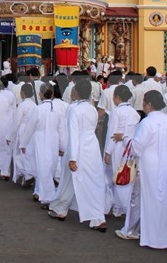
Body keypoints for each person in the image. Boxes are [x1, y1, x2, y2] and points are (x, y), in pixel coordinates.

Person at [117, 90, 167, 248]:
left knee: (141, 198)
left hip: (148, 164)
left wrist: (124, 138)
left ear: (149, 104)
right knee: (166, 197)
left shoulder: (146, 123)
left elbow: (137, 147)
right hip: (165, 162)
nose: (143, 104)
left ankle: (132, 230)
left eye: (144, 101)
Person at [48, 80, 107, 232]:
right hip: (91, 147)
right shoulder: (92, 109)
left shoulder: (75, 110)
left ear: (77, 93)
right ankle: (66, 209)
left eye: (73, 91)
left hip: (78, 147)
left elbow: (73, 134)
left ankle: (94, 216)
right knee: (88, 181)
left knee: (74, 180)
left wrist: (73, 157)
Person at [19, 83, 65, 207]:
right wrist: (62, 147)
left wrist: (23, 143)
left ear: (40, 94)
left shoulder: (38, 109)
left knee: (43, 167)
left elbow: (30, 128)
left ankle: (48, 197)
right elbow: (61, 131)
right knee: (49, 167)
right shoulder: (57, 110)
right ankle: (39, 191)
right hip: (53, 140)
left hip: (40, 140)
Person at [104, 85, 140, 217]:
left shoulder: (117, 112)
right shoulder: (134, 112)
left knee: (117, 175)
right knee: (127, 175)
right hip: (130, 146)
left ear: (117, 97)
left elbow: (112, 133)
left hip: (118, 147)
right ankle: (120, 206)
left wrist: (108, 151)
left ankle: (121, 206)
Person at [8, 83, 37, 187]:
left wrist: (10, 136)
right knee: (30, 155)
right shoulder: (35, 105)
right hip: (32, 132)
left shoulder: (22, 105)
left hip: (23, 130)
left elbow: (16, 122)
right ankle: (29, 175)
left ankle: (28, 175)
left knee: (19, 155)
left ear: (23, 93)